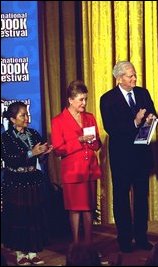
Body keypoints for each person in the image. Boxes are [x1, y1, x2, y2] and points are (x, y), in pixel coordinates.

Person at [100, 61, 157, 252]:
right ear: (119, 78)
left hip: (141, 155)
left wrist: (150, 119)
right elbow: (112, 128)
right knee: (121, 197)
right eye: (130, 76)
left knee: (141, 197)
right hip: (121, 157)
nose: (134, 78)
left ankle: (141, 237)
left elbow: (153, 113)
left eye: (134, 75)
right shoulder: (107, 99)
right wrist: (135, 121)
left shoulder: (143, 93)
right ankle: (124, 239)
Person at [1, 101, 53, 265]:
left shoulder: (34, 133)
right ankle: (19, 253)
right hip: (16, 182)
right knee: (19, 217)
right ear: (12, 119)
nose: (26, 118)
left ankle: (33, 251)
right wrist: (32, 152)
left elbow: (40, 158)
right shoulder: (5, 138)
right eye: (22, 115)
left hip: (33, 181)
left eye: (27, 114)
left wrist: (45, 153)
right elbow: (10, 159)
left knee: (33, 216)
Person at [51, 80, 102, 245]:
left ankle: (88, 246)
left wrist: (94, 141)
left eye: (85, 99)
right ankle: (76, 246)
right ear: (70, 100)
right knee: (75, 209)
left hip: (90, 169)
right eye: (81, 99)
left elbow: (97, 145)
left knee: (89, 209)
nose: (84, 103)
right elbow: (58, 149)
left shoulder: (90, 117)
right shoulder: (58, 121)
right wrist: (79, 140)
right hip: (73, 172)